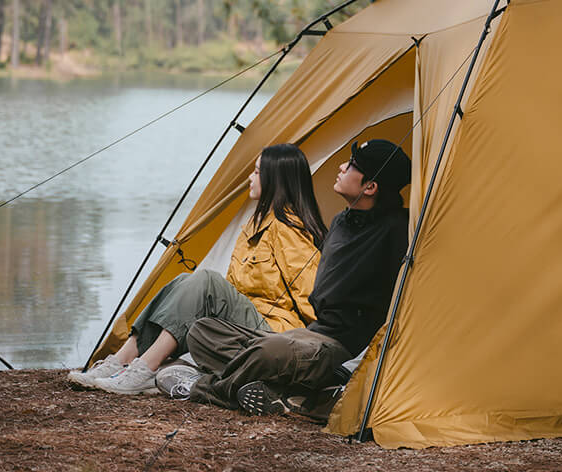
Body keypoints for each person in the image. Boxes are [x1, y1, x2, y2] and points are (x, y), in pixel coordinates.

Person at [156, 138, 410, 418]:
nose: (341, 166)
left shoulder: (398, 230)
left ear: (370, 187)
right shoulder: (341, 222)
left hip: (341, 349)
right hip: (311, 334)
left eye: (351, 165)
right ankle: (286, 393)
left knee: (269, 349)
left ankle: (206, 388)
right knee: (203, 331)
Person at [67, 143, 326, 395]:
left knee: (206, 281)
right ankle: (122, 360)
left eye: (257, 172)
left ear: (275, 179)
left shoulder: (289, 229)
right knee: (182, 280)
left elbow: (312, 299)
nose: (250, 177)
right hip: (246, 323)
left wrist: (314, 355)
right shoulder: (256, 224)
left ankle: (145, 368)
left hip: (275, 333)